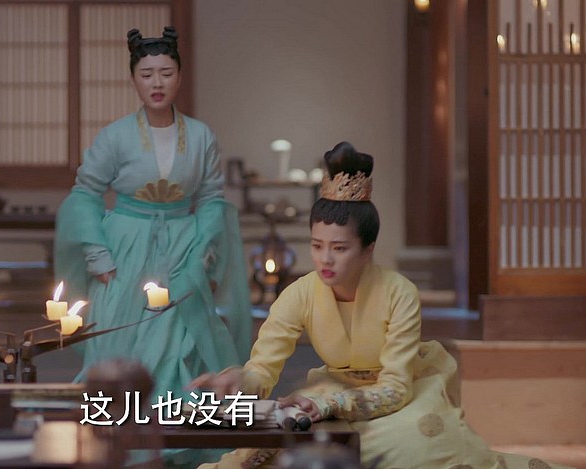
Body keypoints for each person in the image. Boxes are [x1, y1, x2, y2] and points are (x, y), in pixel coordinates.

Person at [189, 142, 570, 469]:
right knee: (283, 449)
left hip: (402, 394)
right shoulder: (299, 293)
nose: (325, 259)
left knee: (419, 443)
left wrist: (333, 405)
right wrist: (241, 381)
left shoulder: (399, 293)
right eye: (317, 245)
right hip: (333, 389)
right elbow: (263, 368)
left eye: (340, 248)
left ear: (368, 249)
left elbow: (396, 387)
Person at [55, 26, 251, 406]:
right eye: (146, 74)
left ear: (179, 76)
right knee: (118, 333)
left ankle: (174, 421)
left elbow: (211, 198)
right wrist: (97, 253)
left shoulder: (201, 136)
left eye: (166, 73)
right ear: (133, 80)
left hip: (182, 247)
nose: (157, 83)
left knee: (179, 338)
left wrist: (204, 254)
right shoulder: (115, 136)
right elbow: (85, 193)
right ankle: (119, 421)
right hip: (124, 246)